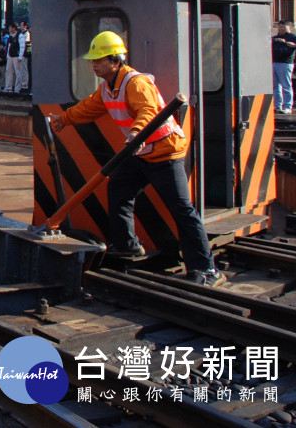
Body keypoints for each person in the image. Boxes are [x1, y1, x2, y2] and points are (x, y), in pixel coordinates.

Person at [49, 31, 224, 286]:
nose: (93, 64)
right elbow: (88, 107)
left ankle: (207, 269)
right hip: (140, 152)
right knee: (118, 189)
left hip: (165, 152)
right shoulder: (108, 88)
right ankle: (127, 245)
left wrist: (135, 133)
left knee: (182, 210)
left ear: (116, 61)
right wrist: (63, 119)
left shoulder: (136, 82)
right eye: (93, 60)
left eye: (99, 60)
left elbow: (148, 111)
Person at [272, 22, 296, 114]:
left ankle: (287, 106)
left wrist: (291, 45)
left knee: (286, 85)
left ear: (289, 27)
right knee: (275, 85)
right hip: (274, 61)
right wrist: (274, 41)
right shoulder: (275, 38)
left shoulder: (293, 37)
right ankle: (277, 105)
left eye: (283, 27)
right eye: (280, 27)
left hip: (285, 63)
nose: (281, 29)